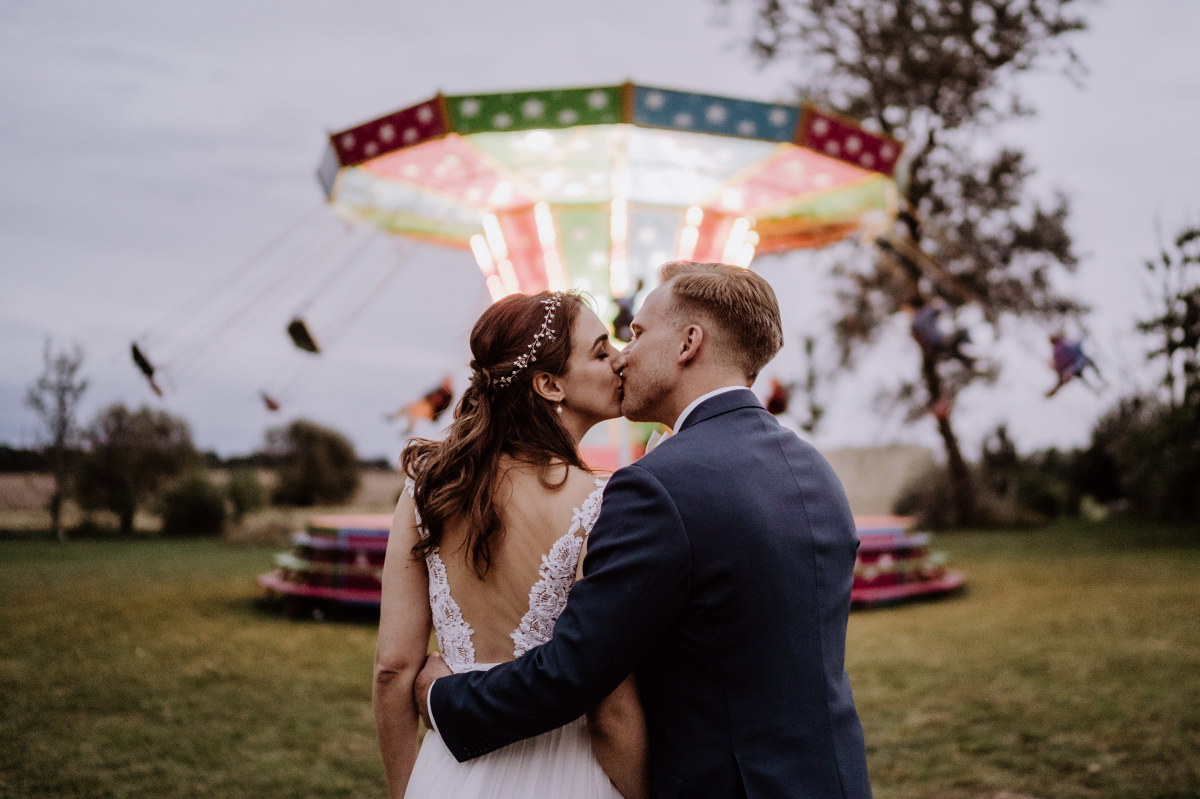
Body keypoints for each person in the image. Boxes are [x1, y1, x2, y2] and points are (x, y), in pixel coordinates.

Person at [415, 261, 872, 799]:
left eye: (637, 333)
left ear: (688, 343)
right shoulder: (815, 470)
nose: (624, 355)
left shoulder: (657, 485)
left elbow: (573, 674)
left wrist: (440, 698)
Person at [373, 291, 648, 799]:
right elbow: (610, 710)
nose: (621, 358)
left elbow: (393, 670)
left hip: (447, 771)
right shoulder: (603, 502)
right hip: (568, 772)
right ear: (548, 384)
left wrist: (404, 789)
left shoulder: (428, 490)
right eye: (600, 349)